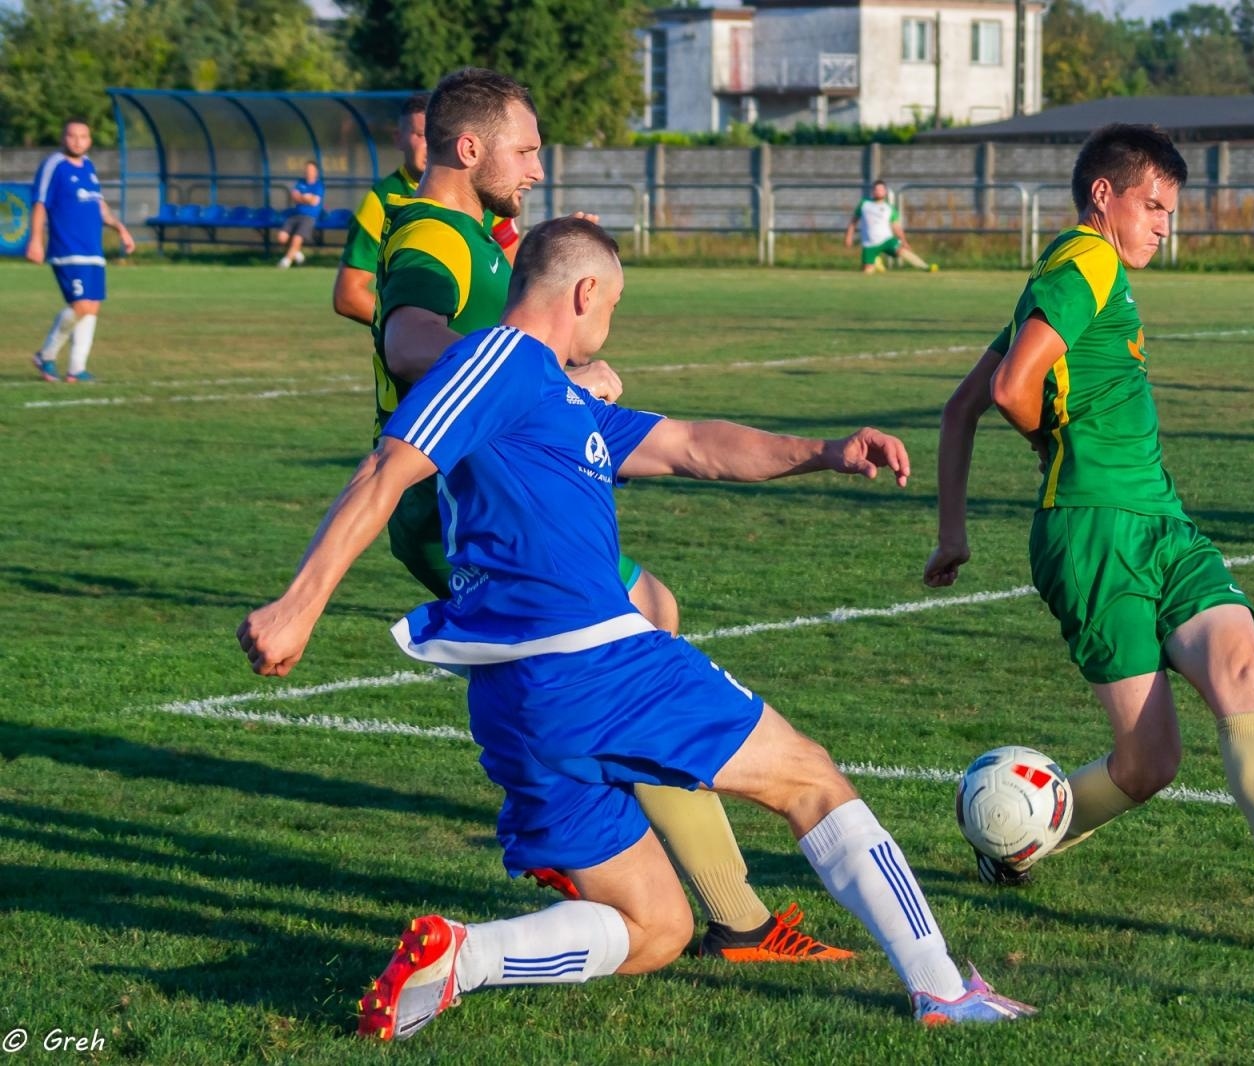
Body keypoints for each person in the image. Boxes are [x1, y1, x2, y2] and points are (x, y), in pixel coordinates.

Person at [238, 215, 1035, 1036]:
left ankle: (461, 958)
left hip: (520, 699)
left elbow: (693, 445)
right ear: (585, 294)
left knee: (657, 927)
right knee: (810, 779)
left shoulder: (551, 396)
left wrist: (825, 449)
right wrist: (298, 604)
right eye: (613, 304)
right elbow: (387, 464)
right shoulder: (496, 362)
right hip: (596, 664)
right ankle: (945, 990)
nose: (611, 321)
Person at [366, 67, 851, 964]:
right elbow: (408, 344)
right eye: (527, 149)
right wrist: (545, 382)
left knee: (647, 627)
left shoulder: (480, 231)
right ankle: (723, 908)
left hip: (502, 493)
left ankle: (679, 882)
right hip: (467, 510)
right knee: (631, 650)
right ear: (468, 149)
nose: (539, 168)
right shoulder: (434, 235)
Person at [923, 123, 1254, 952]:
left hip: (1159, 521)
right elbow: (1008, 390)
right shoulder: (1086, 260)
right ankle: (1014, 840)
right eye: (1152, 205)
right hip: (1095, 532)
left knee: (1238, 665)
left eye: (1170, 210)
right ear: (1103, 197)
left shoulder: (1065, 275)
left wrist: (953, 533)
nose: (1163, 224)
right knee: (1147, 764)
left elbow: (959, 406)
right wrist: (1055, 443)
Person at [333, 93, 522, 327]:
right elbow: (347, 296)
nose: (430, 143)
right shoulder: (380, 201)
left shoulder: (481, 188)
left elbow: (517, 275)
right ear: (399, 138)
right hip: (435, 355)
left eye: (437, 135)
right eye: (421, 135)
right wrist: (408, 324)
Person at [25, 117, 135, 384]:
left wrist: (120, 228)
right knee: (82, 305)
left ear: (90, 140)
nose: (77, 141)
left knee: (91, 308)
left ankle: (76, 369)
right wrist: (36, 239)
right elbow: (40, 203)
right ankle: (46, 355)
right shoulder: (54, 165)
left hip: (93, 249)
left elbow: (98, 205)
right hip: (68, 247)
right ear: (64, 138)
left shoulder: (89, 167)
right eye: (72, 136)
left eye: (83, 136)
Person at [845, 180, 936, 274]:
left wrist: (904, 241)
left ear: (885, 192)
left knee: (902, 251)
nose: (878, 191)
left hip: (886, 240)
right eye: (876, 189)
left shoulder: (889, 208)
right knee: (867, 272)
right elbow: (853, 222)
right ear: (873, 191)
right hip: (869, 244)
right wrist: (849, 236)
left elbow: (896, 227)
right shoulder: (864, 204)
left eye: (881, 189)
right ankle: (876, 261)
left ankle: (926, 267)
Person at [275, 160, 323, 269]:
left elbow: (314, 201)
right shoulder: (300, 182)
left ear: (316, 172)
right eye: (307, 169)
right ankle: (297, 253)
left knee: (297, 238)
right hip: (295, 215)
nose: (308, 172)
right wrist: (305, 198)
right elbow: (294, 196)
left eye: (311, 170)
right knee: (281, 238)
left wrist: (302, 198)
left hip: (309, 217)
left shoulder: (318, 185)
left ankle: (286, 261)